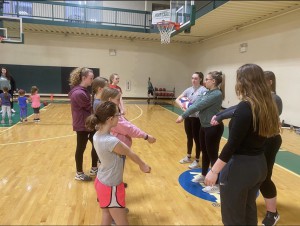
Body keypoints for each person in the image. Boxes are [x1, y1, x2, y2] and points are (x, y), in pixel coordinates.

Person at [204, 64, 280, 225]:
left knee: (233, 218)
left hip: (240, 169)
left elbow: (232, 145)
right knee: (248, 211)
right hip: (259, 166)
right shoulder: (267, 105)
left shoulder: (246, 107)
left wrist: (214, 171)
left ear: (243, 82)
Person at [85, 101, 151, 225]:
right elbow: (130, 153)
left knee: (107, 214)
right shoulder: (111, 141)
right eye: (117, 114)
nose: (119, 116)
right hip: (111, 186)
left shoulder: (97, 134)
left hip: (101, 181)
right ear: (110, 119)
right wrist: (143, 165)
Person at [176, 71, 225, 193]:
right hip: (204, 126)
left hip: (213, 128)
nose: (205, 81)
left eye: (207, 79)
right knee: (205, 153)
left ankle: (216, 184)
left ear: (213, 81)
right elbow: (196, 103)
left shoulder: (216, 94)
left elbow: (198, 106)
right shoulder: (208, 92)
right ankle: (204, 175)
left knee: (213, 155)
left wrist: (183, 115)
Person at [68, 67, 98, 181]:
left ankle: (94, 168)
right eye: (91, 78)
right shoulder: (79, 93)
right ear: (83, 78)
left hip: (87, 123)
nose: (92, 80)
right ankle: (79, 173)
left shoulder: (83, 90)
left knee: (96, 143)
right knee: (81, 148)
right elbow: (90, 108)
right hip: (82, 125)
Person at [175, 72, 207, 169]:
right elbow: (177, 99)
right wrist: (182, 106)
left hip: (197, 118)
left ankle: (197, 160)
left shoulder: (203, 90)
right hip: (188, 117)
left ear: (200, 79)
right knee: (189, 137)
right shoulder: (189, 90)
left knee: (197, 139)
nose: (193, 80)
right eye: (192, 78)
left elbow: (202, 104)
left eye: (196, 78)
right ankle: (188, 156)